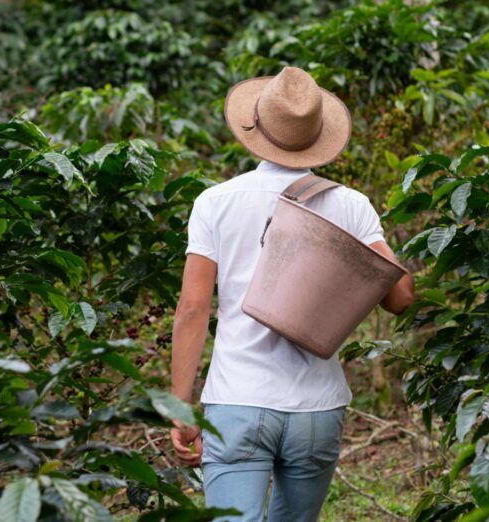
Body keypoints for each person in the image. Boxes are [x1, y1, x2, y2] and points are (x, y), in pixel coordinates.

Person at [168, 66, 415, 521]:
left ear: (255, 127)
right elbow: (400, 298)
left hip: (238, 400)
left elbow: (193, 308)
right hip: (316, 409)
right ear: (318, 136)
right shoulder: (350, 204)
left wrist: (180, 405)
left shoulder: (216, 202)